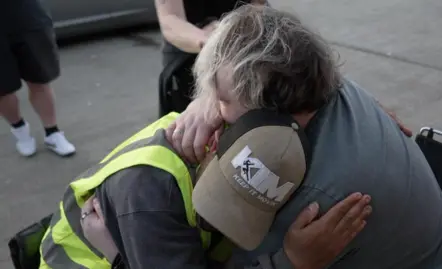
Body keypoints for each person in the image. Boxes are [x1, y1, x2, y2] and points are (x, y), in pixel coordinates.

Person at [166, 4, 442, 269]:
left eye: (222, 100)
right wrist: (203, 104)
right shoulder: (318, 85)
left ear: (267, 113)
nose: (217, 113)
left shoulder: (307, 193)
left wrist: (291, 259)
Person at [39, 110, 372, 269]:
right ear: (213, 143)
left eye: (245, 212)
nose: (219, 222)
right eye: (222, 196)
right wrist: (292, 262)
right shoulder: (148, 196)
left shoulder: (240, 131)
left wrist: (365, 113)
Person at [155, 0, 267, 115]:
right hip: (186, 61)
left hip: (243, 52)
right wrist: (213, 41)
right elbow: (170, 19)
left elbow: (258, 6)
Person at [1, 0, 76, 157]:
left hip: (26, 14)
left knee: (39, 78)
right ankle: (20, 129)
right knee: (3, 89)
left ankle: (52, 133)